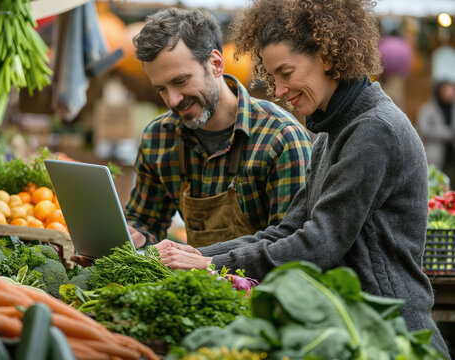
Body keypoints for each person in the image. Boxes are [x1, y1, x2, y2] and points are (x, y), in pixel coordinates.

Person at [154, 0, 450, 356]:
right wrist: (195, 253)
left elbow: (320, 243)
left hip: (393, 336)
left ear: (327, 56)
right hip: (350, 327)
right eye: (272, 76)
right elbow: (287, 229)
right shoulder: (331, 132)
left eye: (286, 73)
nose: (278, 90)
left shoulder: (374, 130)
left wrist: (209, 265)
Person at [123, 7, 311, 248]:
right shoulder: (159, 137)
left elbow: (290, 245)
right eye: (161, 89)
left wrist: (203, 260)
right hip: (197, 285)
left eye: (180, 81)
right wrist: (136, 235)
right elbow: (145, 219)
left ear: (216, 64)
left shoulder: (281, 138)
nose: (172, 100)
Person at [417, 80, 455, 180]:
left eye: (452, 89)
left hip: (452, 155)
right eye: (447, 90)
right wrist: (448, 133)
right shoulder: (428, 109)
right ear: (439, 91)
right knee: (435, 182)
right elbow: (423, 129)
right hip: (435, 153)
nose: (450, 93)